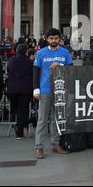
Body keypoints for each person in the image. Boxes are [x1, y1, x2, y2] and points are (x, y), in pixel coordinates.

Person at [33, 28, 73, 159]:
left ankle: (55, 144)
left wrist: (60, 64)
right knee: (42, 119)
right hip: (45, 89)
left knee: (56, 119)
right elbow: (35, 72)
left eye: (56, 38)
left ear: (59, 39)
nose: (53, 40)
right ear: (46, 39)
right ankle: (39, 147)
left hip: (60, 89)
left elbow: (71, 69)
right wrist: (36, 89)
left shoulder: (65, 52)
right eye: (51, 38)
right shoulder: (41, 53)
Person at [7, 44, 33, 139]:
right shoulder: (29, 62)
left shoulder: (11, 60)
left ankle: (18, 127)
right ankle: (20, 131)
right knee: (23, 110)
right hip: (25, 88)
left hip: (12, 88)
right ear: (26, 52)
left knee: (16, 110)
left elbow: (9, 71)